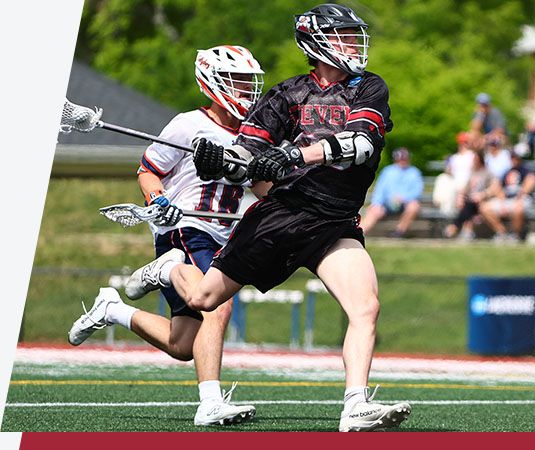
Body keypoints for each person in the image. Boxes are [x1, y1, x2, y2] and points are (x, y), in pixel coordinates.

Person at [114, 4, 409, 432]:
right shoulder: (286, 95)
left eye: (352, 35)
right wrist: (223, 161)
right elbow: (246, 156)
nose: (353, 44)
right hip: (281, 215)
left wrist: (293, 154)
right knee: (204, 302)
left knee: (365, 307)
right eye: (343, 35)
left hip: (335, 221)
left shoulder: (368, 88)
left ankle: (355, 406)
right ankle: (170, 267)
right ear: (317, 41)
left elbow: (360, 143)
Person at [67, 45, 266, 426]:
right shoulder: (188, 125)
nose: (246, 92)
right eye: (238, 83)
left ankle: (112, 309)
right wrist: (157, 201)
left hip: (222, 234)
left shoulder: (254, 133)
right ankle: (210, 403)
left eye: (248, 83)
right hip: (185, 228)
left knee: (183, 345)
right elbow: (148, 170)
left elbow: (260, 187)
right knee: (217, 305)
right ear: (214, 83)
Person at [359, 147, 423, 237]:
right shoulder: (388, 171)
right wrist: (376, 203)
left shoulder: (414, 172)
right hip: (387, 204)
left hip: (405, 204)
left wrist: (403, 198)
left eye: (404, 159)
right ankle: (360, 233)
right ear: (396, 159)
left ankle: (399, 232)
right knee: (375, 209)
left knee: (414, 206)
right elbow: (380, 190)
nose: (402, 161)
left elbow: (417, 192)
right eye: (400, 159)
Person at [479, 152, 535, 242]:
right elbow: (499, 188)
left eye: (516, 158)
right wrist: (502, 203)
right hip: (507, 200)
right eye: (512, 158)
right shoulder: (506, 172)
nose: (514, 160)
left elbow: (529, 184)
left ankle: (515, 235)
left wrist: (519, 199)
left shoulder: (526, 171)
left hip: (521, 199)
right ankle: (501, 232)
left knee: (518, 209)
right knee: (484, 208)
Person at [443, 153, 495, 240]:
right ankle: (465, 231)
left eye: (475, 160)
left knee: (469, 204)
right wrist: (460, 196)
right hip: (472, 200)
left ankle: (454, 227)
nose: (473, 162)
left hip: (484, 200)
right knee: (468, 204)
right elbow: (466, 188)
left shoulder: (488, 173)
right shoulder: (472, 173)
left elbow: (494, 188)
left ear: (480, 160)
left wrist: (482, 195)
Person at [432, 132, 475, 214]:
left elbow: (474, 172)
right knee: (442, 178)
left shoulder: (472, 156)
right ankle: (439, 203)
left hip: (467, 182)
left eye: (465, 142)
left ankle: (447, 211)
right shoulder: (454, 157)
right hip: (455, 181)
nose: (462, 145)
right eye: (461, 142)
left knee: (454, 188)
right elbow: (448, 172)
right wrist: (447, 164)